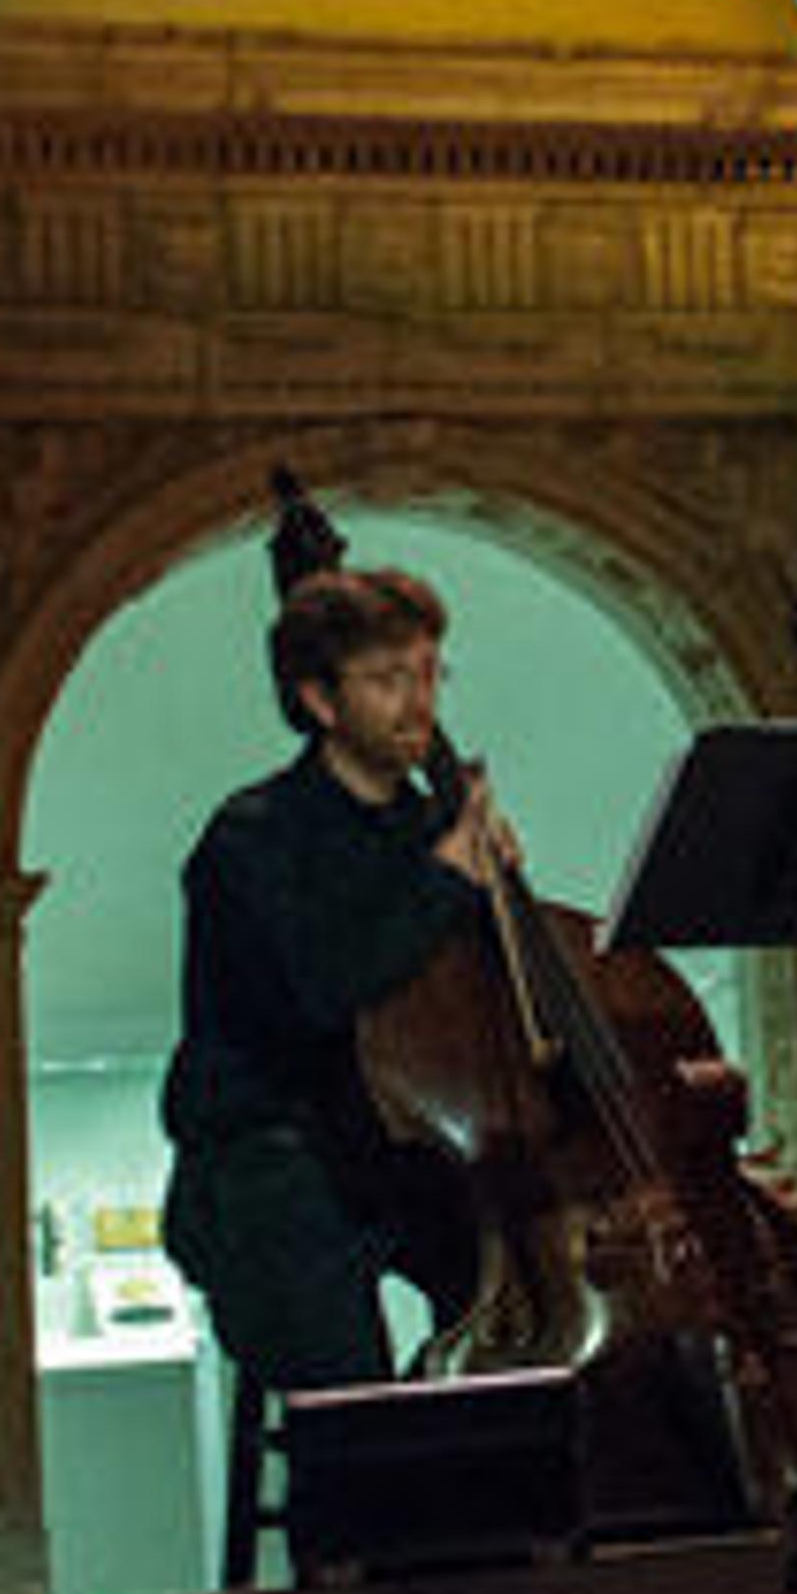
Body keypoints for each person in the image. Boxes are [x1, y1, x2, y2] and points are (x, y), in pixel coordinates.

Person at [161, 564, 512, 1393]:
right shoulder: (251, 837)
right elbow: (322, 989)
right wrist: (448, 881)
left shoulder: (429, 827)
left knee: (515, 1275)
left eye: (428, 673)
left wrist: (500, 906)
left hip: (398, 1153)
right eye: (388, 680)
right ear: (320, 700)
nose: (417, 702)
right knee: (351, 1406)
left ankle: (491, 1485)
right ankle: (372, 1492)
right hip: (269, 1157)